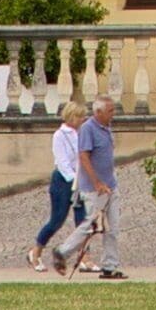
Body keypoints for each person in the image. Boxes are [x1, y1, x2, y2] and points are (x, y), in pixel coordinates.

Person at [52, 93, 125, 279]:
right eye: (110, 111)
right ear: (98, 112)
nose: (113, 114)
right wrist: (96, 182)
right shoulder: (88, 129)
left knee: (112, 227)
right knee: (90, 225)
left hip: (110, 186)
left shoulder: (107, 128)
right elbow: (83, 157)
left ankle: (110, 266)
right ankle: (63, 251)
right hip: (94, 189)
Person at [31, 106, 85, 271]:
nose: (82, 120)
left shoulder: (81, 134)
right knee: (57, 220)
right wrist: (73, 180)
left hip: (80, 180)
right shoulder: (60, 135)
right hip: (63, 181)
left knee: (83, 221)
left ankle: (84, 257)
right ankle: (36, 252)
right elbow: (63, 162)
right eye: (79, 117)